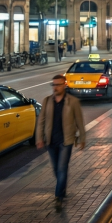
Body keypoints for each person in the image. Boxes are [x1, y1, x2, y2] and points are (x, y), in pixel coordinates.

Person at [36, 74, 87, 212]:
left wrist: (82, 138)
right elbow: (41, 121)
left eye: (58, 84)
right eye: (53, 85)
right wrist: (39, 138)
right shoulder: (47, 101)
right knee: (56, 169)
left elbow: (79, 121)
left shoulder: (72, 102)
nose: (55, 87)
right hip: (51, 141)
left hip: (66, 141)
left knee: (62, 168)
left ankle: (58, 197)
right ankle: (62, 189)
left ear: (64, 85)